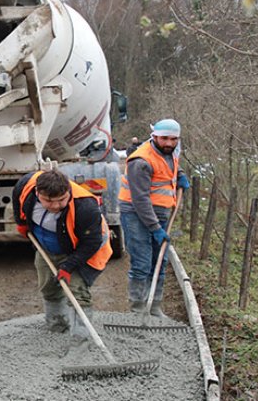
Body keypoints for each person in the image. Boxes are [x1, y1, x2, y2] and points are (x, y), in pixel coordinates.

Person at [12, 169, 113, 338]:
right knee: (48, 288)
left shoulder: (85, 207)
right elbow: (17, 200)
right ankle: (57, 329)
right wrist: (21, 223)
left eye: (61, 200)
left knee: (77, 291)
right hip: (47, 247)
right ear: (38, 193)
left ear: (68, 192)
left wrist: (68, 266)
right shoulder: (26, 186)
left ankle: (81, 338)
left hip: (81, 249)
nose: (56, 206)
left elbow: (92, 242)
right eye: (49, 201)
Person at [118, 119, 190, 318]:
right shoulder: (140, 161)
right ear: (154, 136)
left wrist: (180, 174)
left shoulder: (172, 151)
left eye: (173, 139)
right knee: (142, 262)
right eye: (164, 138)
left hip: (161, 212)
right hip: (135, 212)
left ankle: (155, 306)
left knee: (160, 259)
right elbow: (140, 199)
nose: (169, 143)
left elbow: (170, 166)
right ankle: (138, 308)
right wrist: (155, 228)